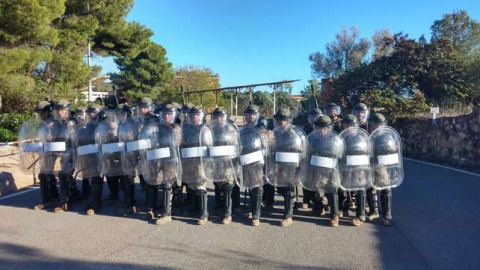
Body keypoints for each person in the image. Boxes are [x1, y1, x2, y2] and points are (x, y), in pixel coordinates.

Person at [268, 108, 307, 227]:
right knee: (280, 188)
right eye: (279, 119)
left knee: (289, 189)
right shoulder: (274, 132)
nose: (282, 122)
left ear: (288, 120)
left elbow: (302, 149)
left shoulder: (295, 133)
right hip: (278, 165)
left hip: (292, 165)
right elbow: (270, 148)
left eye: (284, 120)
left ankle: (288, 216)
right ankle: (290, 203)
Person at [369, 112, 403, 226]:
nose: (377, 126)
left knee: (385, 187)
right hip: (369, 164)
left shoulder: (388, 136)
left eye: (379, 124)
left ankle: (387, 215)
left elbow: (392, 150)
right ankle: (374, 210)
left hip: (382, 165)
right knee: (369, 188)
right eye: (375, 124)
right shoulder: (369, 135)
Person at [180, 106, 212, 225]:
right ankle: (193, 209)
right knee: (191, 185)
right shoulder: (186, 128)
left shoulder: (205, 129)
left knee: (200, 186)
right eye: (193, 114)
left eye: (197, 114)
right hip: (188, 161)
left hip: (201, 161)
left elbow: (209, 145)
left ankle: (203, 213)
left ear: (201, 116)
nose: (195, 117)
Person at [239, 104, 267, 226]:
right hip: (246, 161)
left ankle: (256, 215)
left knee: (257, 187)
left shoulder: (261, 129)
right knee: (250, 185)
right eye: (249, 114)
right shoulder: (242, 129)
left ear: (257, 116)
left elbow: (267, 145)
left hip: (258, 161)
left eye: (253, 114)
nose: (251, 117)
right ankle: (253, 208)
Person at [52, 99, 79, 213]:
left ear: (67, 110)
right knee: (67, 176)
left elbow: (72, 140)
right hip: (63, 152)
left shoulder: (70, 123)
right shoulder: (62, 122)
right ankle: (74, 194)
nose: (60, 113)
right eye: (58, 110)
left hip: (70, 152)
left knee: (64, 176)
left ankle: (64, 202)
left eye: (62, 110)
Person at [32, 101, 60, 210]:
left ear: (48, 112)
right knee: (46, 175)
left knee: (45, 175)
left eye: (41, 113)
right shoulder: (45, 123)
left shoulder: (53, 123)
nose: (40, 115)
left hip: (51, 151)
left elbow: (53, 137)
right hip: (45, 151)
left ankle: (49, 199)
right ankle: (52, 197)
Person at [300, 107, 324, 215]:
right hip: (307, 159)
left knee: (323, 184)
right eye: (312, 117)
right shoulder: (305, 129)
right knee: (308, 183)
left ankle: (322, 205)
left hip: (320, 160)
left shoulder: (323, 130)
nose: (314, 120)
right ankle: (317, 205)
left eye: (317, 117)